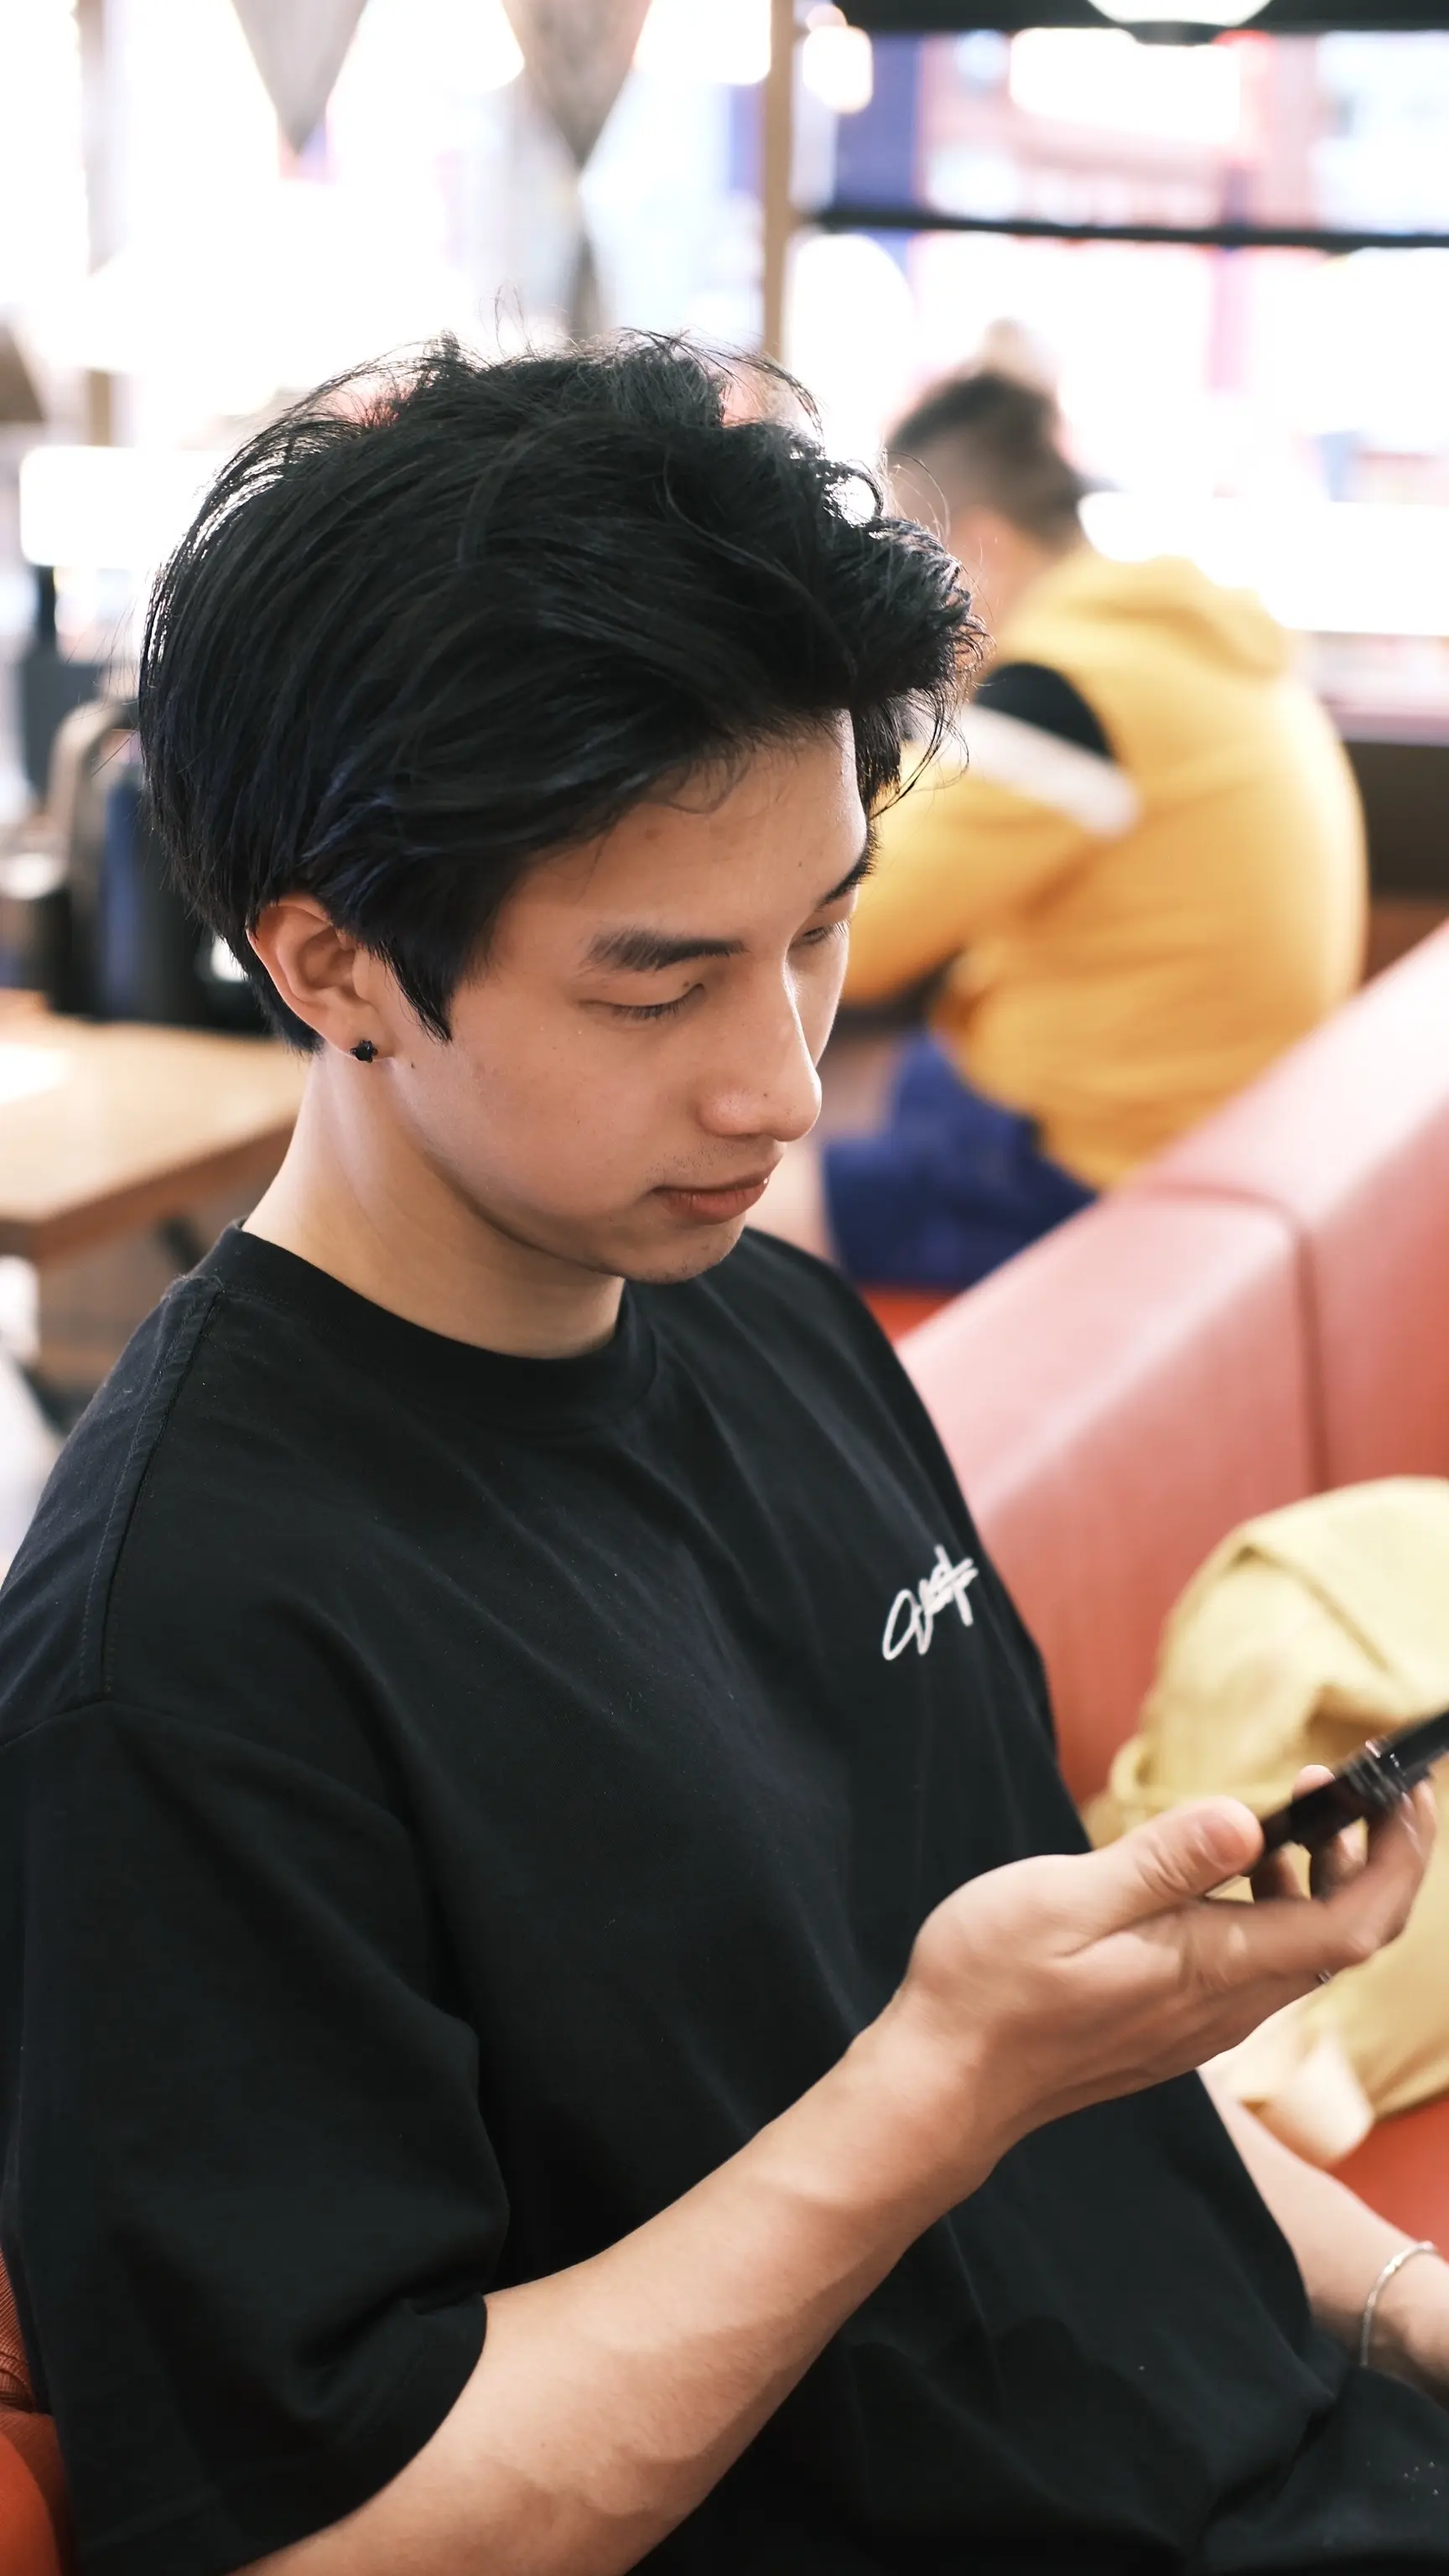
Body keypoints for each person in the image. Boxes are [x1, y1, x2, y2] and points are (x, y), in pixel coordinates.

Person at [0, 338, 1444, 2576]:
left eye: (823, 929)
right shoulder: (184, 1642)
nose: (779, 1083)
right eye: (657, 986)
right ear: (331, 961)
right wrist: (937, 2087)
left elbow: (1078, 2102)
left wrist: (1407, 2303)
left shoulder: (772, 1324)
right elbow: (322, 2534)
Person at [752, 369, 1368, 1291]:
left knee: (718, 1199)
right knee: (857, 1081)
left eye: (911, 563)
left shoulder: (1068, 694)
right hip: (1199, 1107)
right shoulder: (1168, 642)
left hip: (1093, 1158)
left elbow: (863, 934)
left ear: (985, 551)